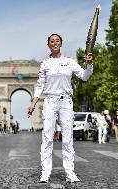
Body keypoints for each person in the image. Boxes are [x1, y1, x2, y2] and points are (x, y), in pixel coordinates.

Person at [27, 33, 93, 183]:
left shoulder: (69, 62)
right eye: (52, 41)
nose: (55, 43)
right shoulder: (45, 64)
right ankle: (45, 172)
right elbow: (39, 86)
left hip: (66, 103)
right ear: (48, 45)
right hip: (50, 102)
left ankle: (70, 172)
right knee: (47, 138)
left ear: (61, 43)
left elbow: (84, 76)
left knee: (68, 138)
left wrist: (89, 64)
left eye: (57, 41)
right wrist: (33, 103)